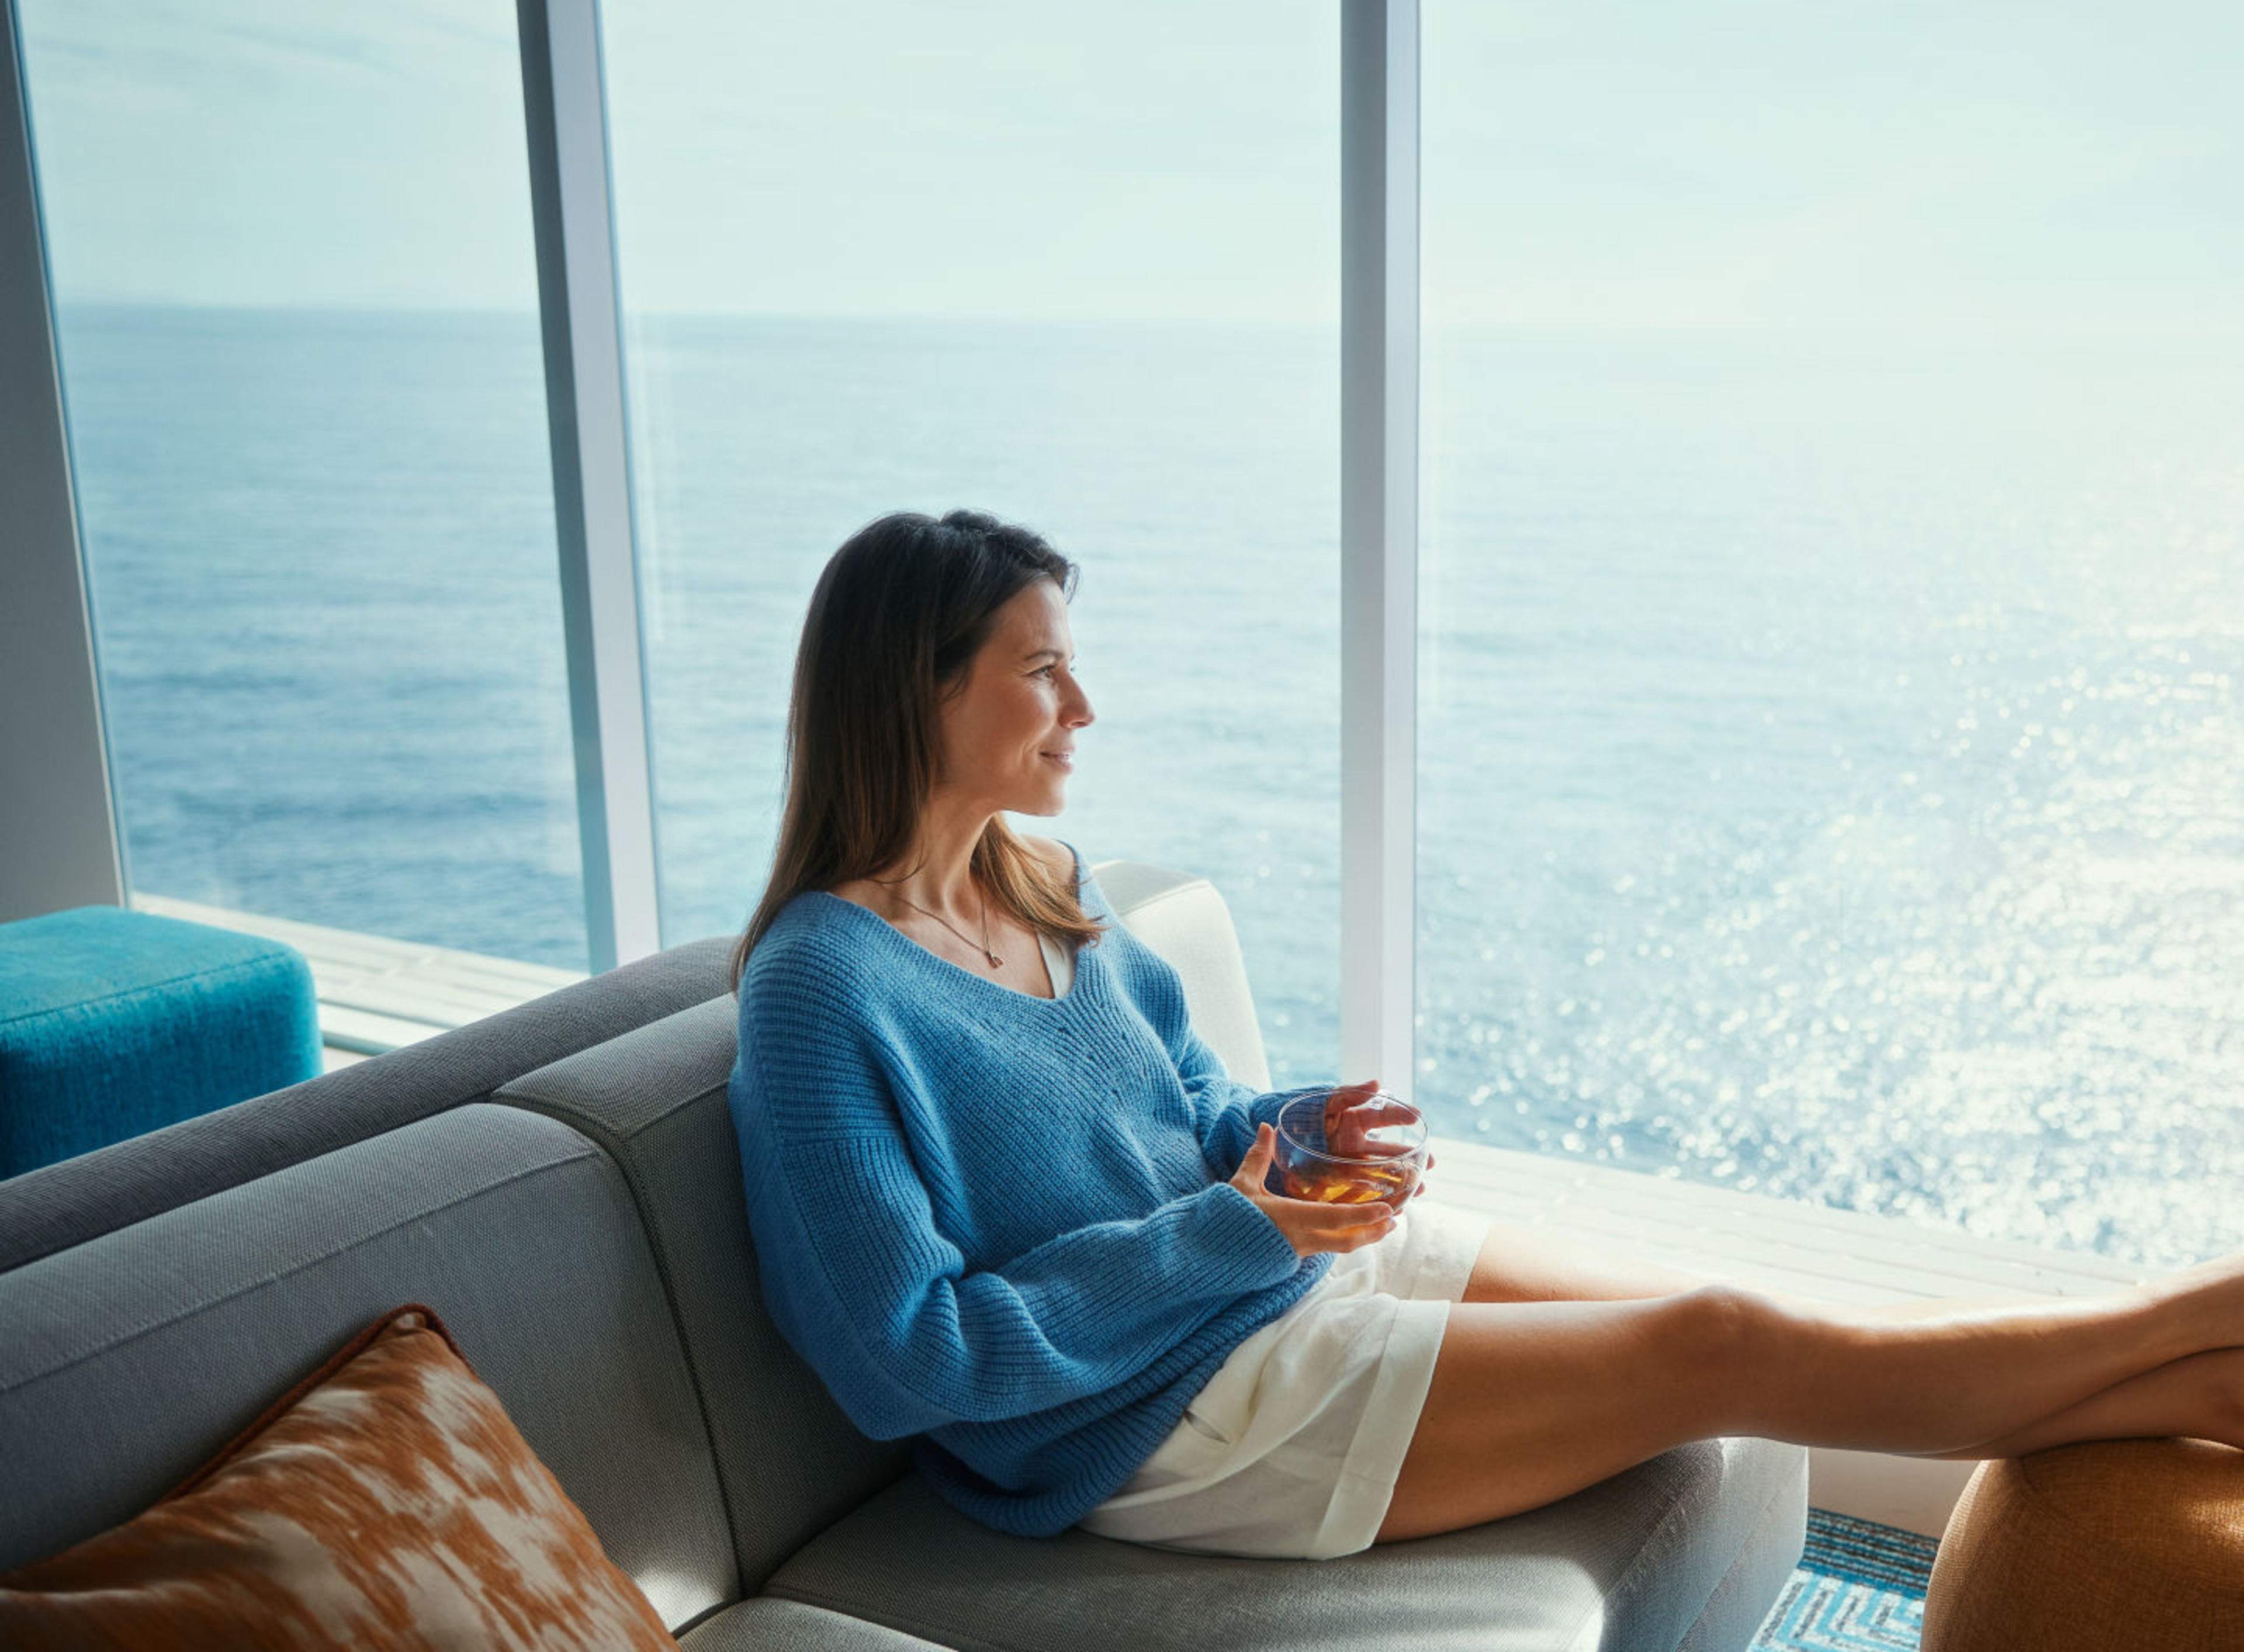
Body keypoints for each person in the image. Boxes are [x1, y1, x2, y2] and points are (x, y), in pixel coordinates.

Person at [729, 507, 2244, 1562]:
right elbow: (905, 1360)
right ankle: (2190, 1322)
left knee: (1740, 1311)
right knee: (1724, 1349)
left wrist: (1290, 1140)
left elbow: (1186, 1112)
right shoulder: (821, 993)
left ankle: (2199, 1383)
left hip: (1259, 1283)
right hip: (1151, 1421)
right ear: (917, 690)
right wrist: (1236, 1235)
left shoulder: (1048, 885)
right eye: (1041, 666)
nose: (1086, 705)